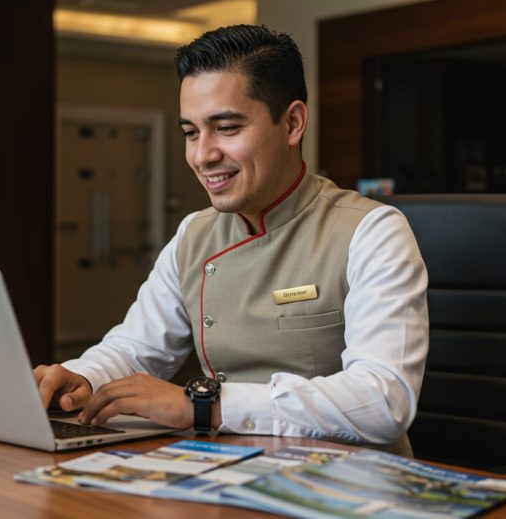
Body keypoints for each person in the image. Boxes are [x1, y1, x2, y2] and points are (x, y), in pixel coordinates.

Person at [36, 25, 429, 455]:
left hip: (347, 481)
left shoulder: (372, 231)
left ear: (293, 123)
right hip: (228, 467)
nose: (202, 155)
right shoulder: (194, 234)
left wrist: (206, 406)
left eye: (225, 128)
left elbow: (384, 399)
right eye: (191, 133)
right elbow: (135, 348)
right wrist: (84, 377)